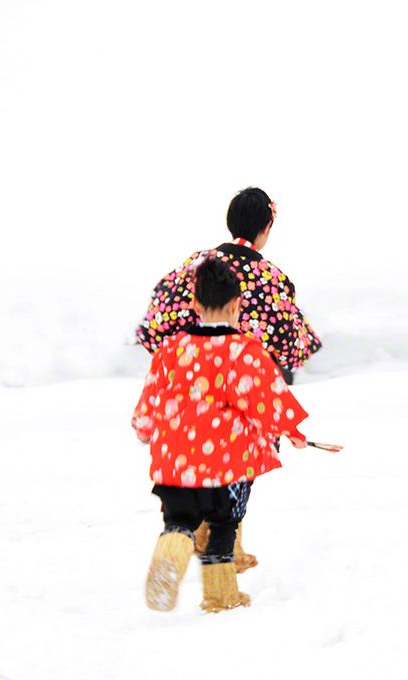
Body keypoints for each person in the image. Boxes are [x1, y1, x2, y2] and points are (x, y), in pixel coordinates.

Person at [137, 187, 321, 569]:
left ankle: (191, 539)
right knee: (234, 482)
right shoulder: (271, 279)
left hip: (187, 400)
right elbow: (290, 344)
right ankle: (226, 552)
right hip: (244, 401)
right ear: (267, 227)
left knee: (194, 478)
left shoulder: (196, 265)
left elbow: (156, 324)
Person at [133, 257, 309, 612]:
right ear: (236, 306)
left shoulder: (171, 349)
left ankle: (170, 554)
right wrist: (291, 430)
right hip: (226, 462)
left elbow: (153, 395)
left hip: (176, 460)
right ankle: (220, 596)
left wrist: (145, 426)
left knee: (179, 521)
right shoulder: (245, 351)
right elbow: (268, 399)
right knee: (222, 526)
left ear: (195, 304)